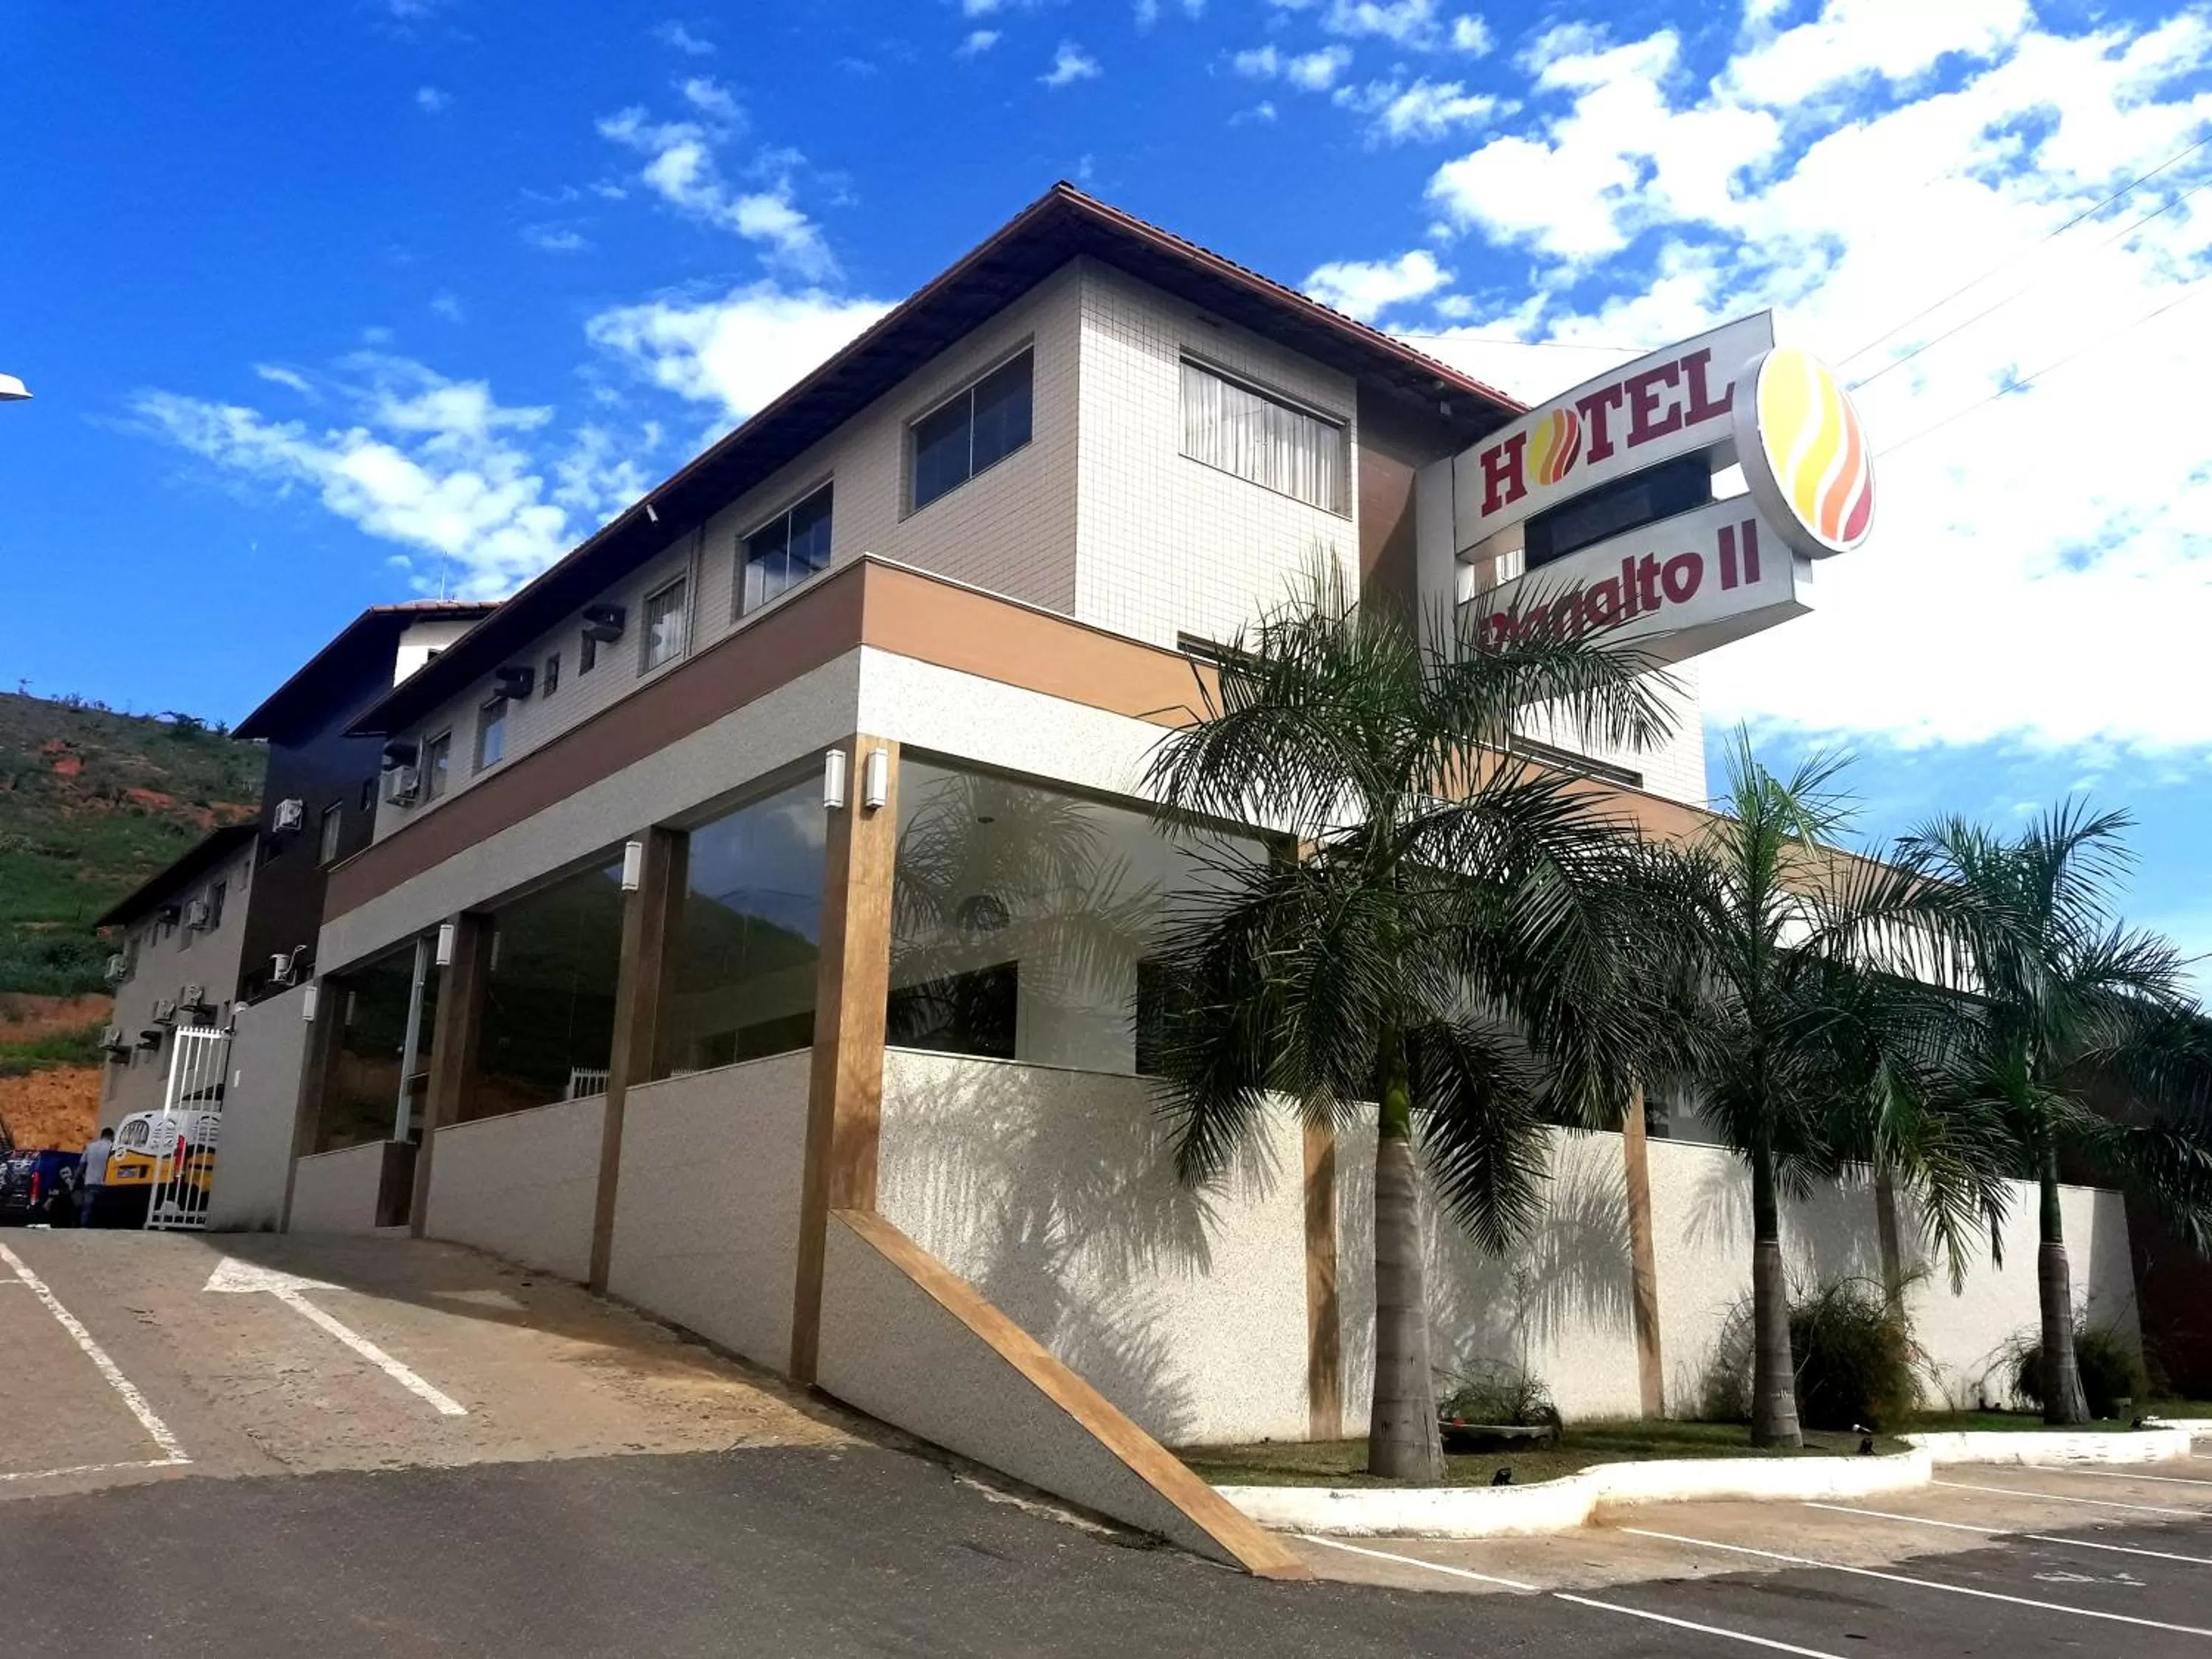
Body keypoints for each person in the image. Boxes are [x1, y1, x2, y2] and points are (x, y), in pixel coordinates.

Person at [77, 1127, 114, 1229]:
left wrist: (74, 1180)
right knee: (103, 1209)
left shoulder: (90, 1147)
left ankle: (84, 1227)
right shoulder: (112, 1148)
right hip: (105, 1183)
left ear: (101, 1135)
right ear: (111, 1136)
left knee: (87, 1208)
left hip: (90, 1182)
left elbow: (81, 1166)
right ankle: (100, 1228)